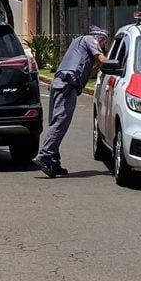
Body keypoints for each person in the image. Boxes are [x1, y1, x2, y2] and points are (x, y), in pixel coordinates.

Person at [33, 25, 109, 178]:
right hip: (67, 85)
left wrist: (99, 67)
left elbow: (88, 73)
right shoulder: (89, 40)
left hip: (61, 83)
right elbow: (101, 58)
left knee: (56, 122)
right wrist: (111, 62)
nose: (103, 47)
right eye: (104, 43)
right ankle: (45, 156)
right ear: (100, 38)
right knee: (61, 122)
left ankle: (53, 161)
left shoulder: (79, 44)